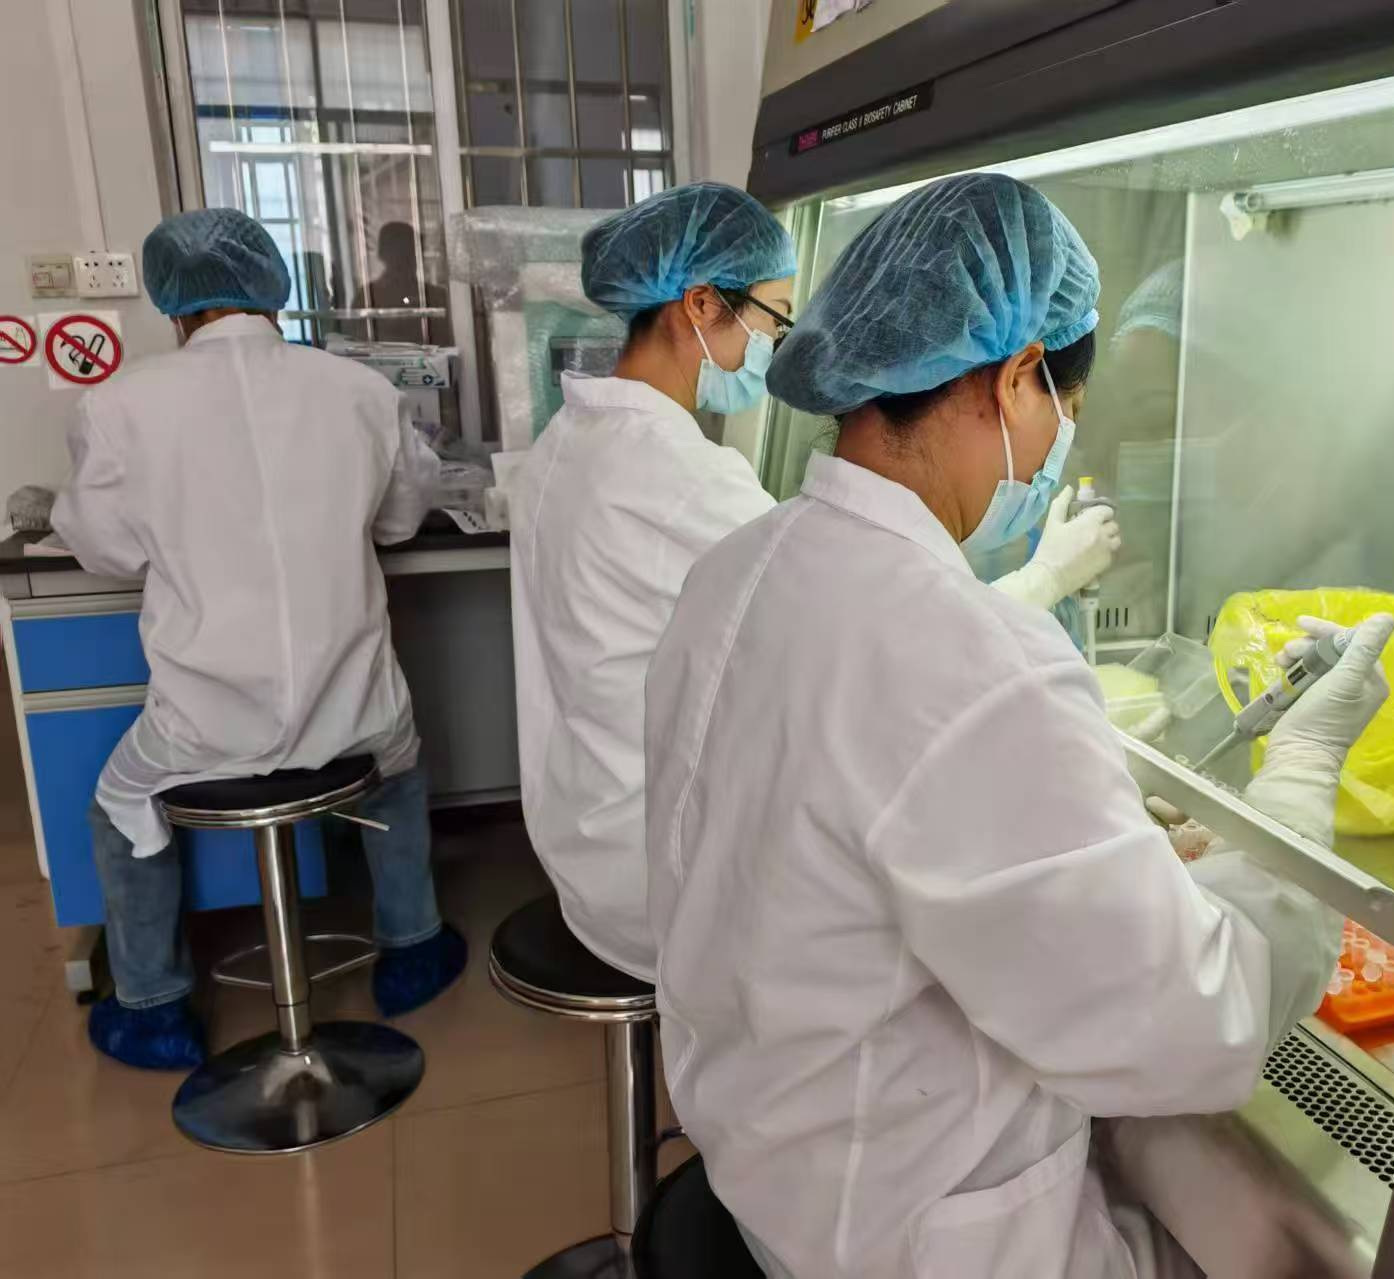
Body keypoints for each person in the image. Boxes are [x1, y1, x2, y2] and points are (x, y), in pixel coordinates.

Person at [643, 173, 1394, 1279]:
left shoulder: (738, 567)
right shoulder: (969, 662)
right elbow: (1202, 1020)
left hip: (773, 1174)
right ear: (1015, 378)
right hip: (910, 1241)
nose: (1056, 452)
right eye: (1065, 411)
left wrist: (1100, 845)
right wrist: (1302, 766)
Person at [510, 181, 1118, 982]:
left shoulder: (564, 440)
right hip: (653, 878)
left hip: (577, 832)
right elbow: (872, 642)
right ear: (702, 305)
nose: (778, 342)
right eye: (774, 316)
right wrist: (1046, 576)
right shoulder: (685, 484)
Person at [52, 208, 467, 1072]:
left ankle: (152, 1006)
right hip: (352, 711)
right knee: (397, 771)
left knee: (116, 802)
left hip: (204, 726)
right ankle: (413, 948)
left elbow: (106, 549)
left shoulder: (120, 403)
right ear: (273, 289)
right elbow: (399, 520)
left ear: (175, 305)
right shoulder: (358, 390)